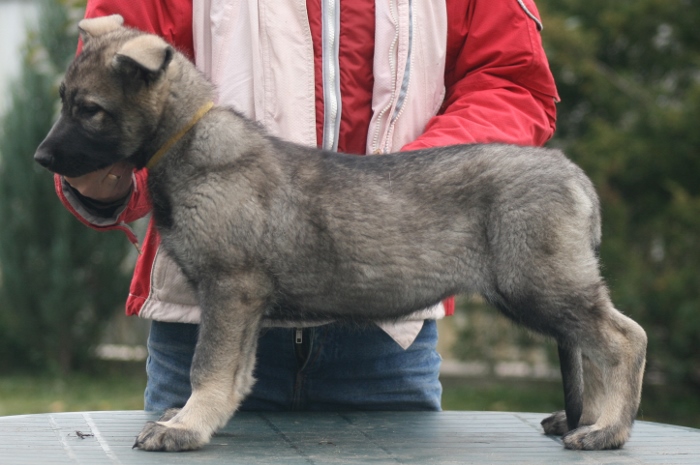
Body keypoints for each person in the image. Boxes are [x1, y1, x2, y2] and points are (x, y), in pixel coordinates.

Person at [56, 0, 559, 413]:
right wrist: (108, 182)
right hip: (205, 325)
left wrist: (410, 188)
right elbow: (112, 92)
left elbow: (510, 82)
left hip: (385, 334)